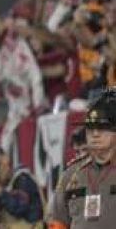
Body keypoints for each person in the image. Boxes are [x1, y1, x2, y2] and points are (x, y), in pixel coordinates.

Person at [49, 88, 116, 228]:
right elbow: (58, 223)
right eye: (90, 128)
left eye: (102, 127)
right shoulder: (71, 174)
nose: (95, 134)